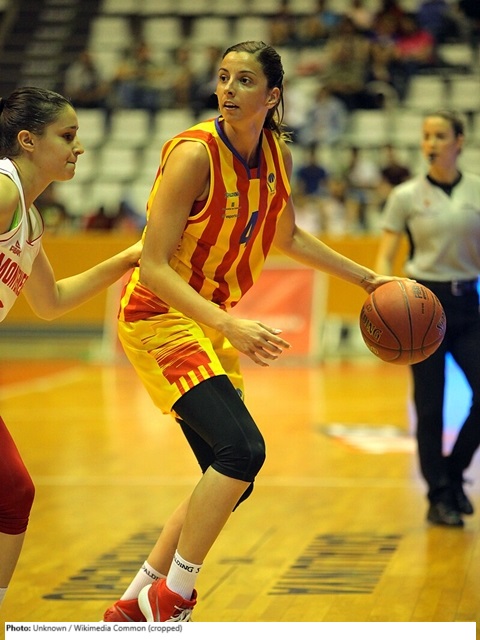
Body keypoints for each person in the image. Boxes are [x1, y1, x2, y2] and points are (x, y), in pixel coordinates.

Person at [101, 40, 403, 623]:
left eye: (244, 80)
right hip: (159, 316)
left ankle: (134, 603)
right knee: (241, 452)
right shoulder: (193, 155)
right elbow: (154, 265)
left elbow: (288, 237)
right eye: (223, 78)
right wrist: (227, 323)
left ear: (272, 96)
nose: (228, 89)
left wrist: (369, 279)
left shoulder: (275, 153)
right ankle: (173, 598)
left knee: (232, 475)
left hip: (208, 321)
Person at [0, 86, 142, 609]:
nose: (78, 148)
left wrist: (129, 257)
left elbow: (51, 301)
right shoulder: (3, 191)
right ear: (27, 140)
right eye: (67, 136)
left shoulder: (30, 218)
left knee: (15, 494)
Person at [375, 110, 480, 528]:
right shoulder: (405, 196)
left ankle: (454, 474)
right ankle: (438, 496)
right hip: (422, 306)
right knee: (430, 404)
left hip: (468, 303)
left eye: (440, 135)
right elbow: (385, 257)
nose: (431, 143)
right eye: (426, 136)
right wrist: (383, 295)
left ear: (459, 141)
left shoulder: (476, 189)